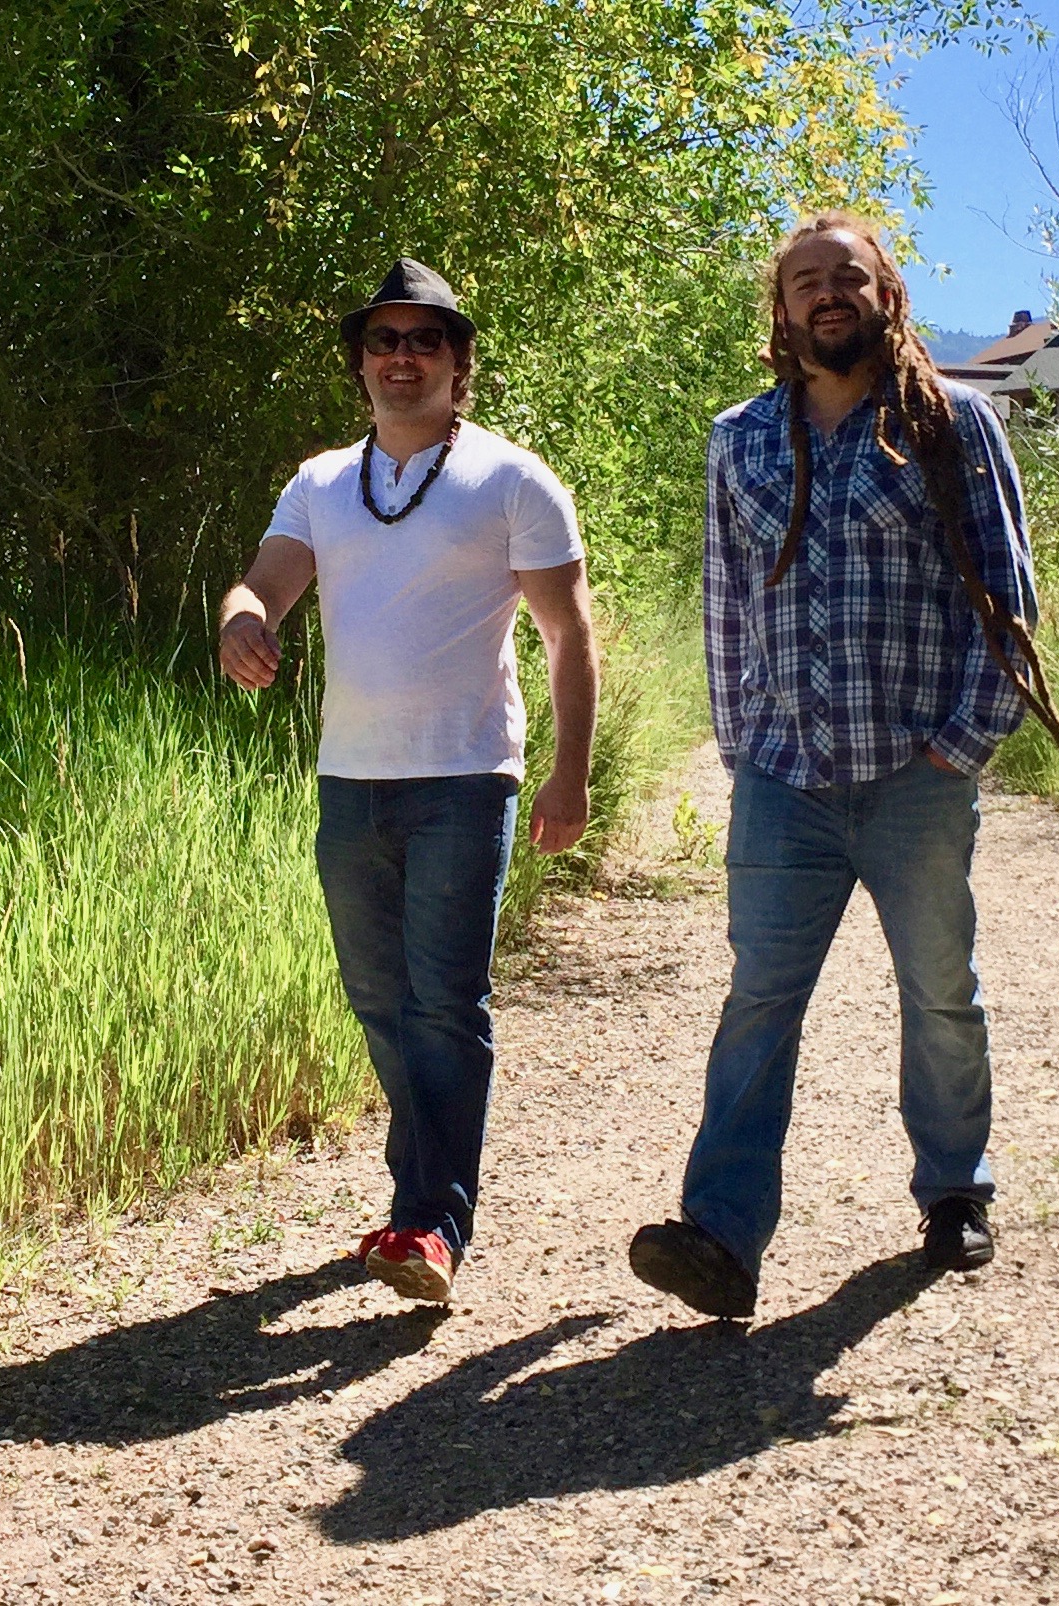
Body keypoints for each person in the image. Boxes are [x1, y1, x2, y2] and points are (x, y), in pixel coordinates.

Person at [629, 213, 1059, 1319]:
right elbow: (726, 600)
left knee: (939, 992)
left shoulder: (951, 422)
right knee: (758, 1002)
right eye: (805, 281)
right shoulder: (740, 438)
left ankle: (955, 1191)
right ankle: (721, 1236)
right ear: (780, 310)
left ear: (888, 294)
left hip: (917, 775)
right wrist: (742, 746)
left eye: (849, 276)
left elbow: (1005, 597)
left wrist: (960, 743)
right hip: (786, 778)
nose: (828, 294)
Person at [219, 258, 598, 1305]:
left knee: (445, 1003)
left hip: (467, 780)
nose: (401, 357)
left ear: (456, 362)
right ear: (361, 364)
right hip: (352, 784)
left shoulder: (514, 480)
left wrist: (568, 776)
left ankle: (430, 1221)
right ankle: (419, 1205)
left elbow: (569, 638)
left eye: (423, 340)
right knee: (380, 1001)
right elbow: (265, 582)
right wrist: (242, 621)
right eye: (384, 341)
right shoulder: (320, 483)